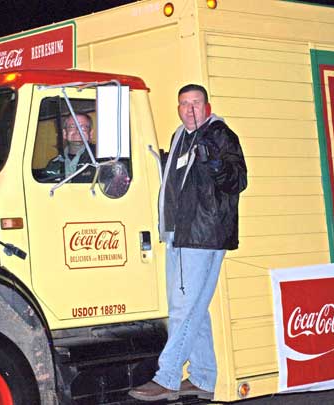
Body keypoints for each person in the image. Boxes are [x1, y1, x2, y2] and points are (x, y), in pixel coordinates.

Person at [129, 84, 247, 401]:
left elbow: (238, 180)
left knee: (183, 308)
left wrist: (214, 162)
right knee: (195, 308)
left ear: (207, 107)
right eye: (184, 103)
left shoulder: (218, 134)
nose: (190, 109)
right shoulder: (180, 135)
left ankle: (167, 376)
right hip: (180, 234)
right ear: (178, 108)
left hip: (203, 234)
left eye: (195, 103)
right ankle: (204, 378)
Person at [40, 113, 96, 183]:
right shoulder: (54, 164)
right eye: (72, 127)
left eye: (83, 127)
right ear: (64, 133)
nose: (77, 131)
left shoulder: (100, 160)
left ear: (90, 133)